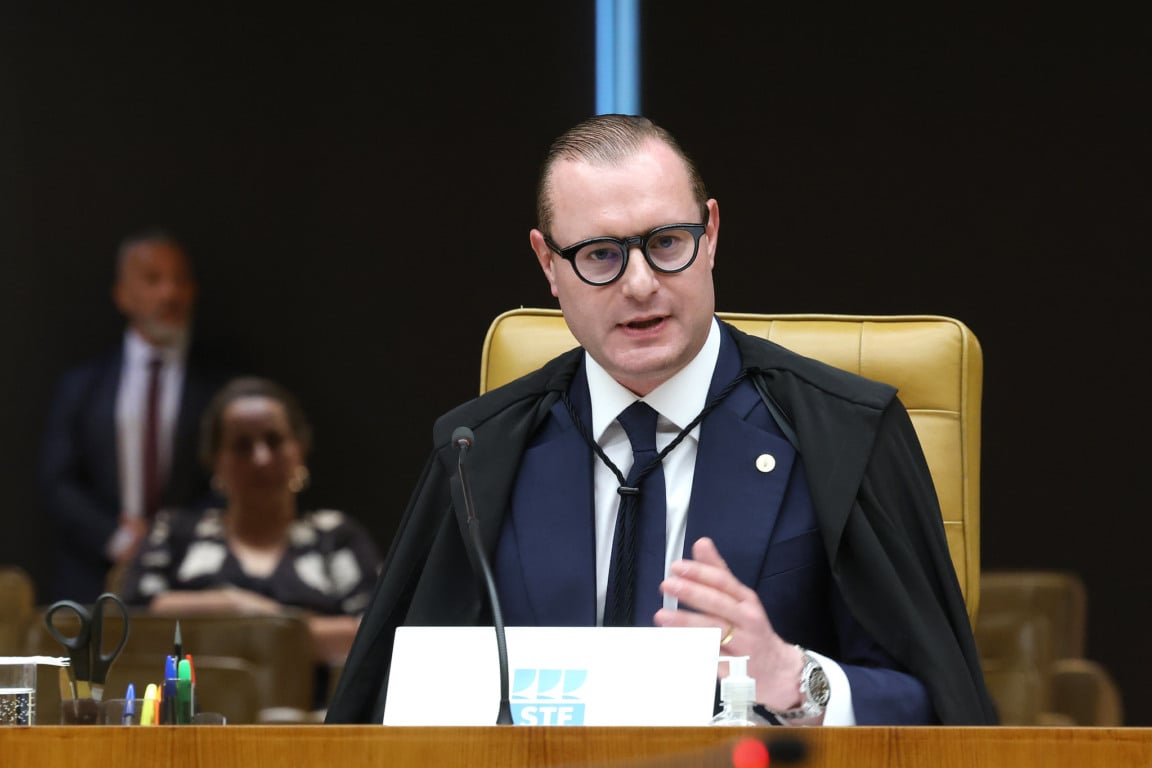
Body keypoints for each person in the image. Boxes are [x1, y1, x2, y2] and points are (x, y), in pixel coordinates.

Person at [325, 114, 997, 726]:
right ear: (548, 264)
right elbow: (389, 709)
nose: (641, 284)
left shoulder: (844, 434)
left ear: (712, 234)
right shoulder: (479, 451)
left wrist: (797, 680)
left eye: (667, 243)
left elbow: (940, 707)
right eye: (600, 255)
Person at [118, 376, 382, 685]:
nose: (261, 458)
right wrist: (236, 605)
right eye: (242, 446)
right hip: (193, 709)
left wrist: (257, 624)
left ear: (300, 449)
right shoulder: (175, 532)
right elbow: (134, 620)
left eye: (274, 440)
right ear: (215, 461)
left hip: (318, 712)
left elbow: (374, 636)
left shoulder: (336, 537)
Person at [38, 229, 234, 604]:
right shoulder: (81, 386)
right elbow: (57, 481)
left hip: (191, 579)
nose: (169, 293)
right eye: (153, 279)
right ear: (122, 294)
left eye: (179, 280)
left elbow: (228, 483)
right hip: (92, 579)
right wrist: (118, 538)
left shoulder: (220, 389)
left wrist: (167, 536)